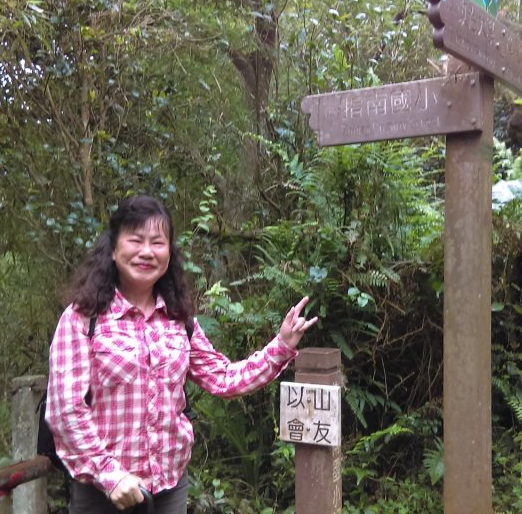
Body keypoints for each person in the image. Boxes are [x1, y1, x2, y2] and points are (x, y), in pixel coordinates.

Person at [45, 194, 318, 514]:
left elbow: (224, 378)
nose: (146, 252)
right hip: (103, 495)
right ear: (114, 249)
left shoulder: (179, 320)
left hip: (169, 490)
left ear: (169, 253)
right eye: (135, 240)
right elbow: (66, 410)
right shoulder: (82, 318)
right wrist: (111, 475)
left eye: (157, 242)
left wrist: (281, 345)